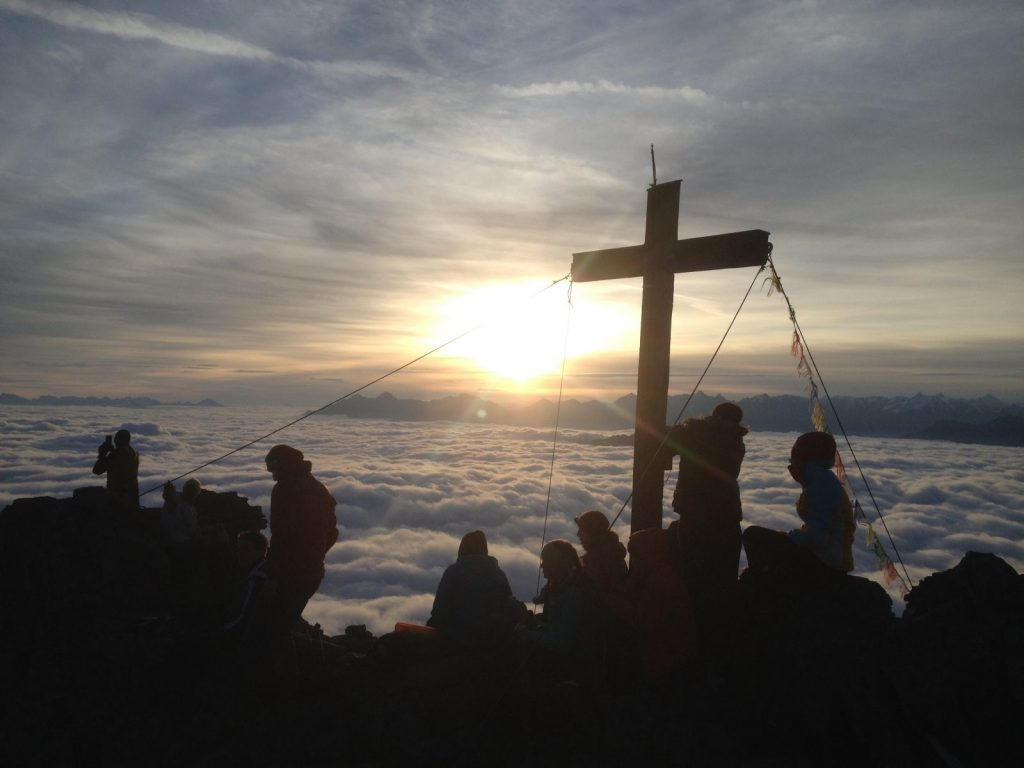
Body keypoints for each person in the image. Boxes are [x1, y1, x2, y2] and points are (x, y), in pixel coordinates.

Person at [665, 403, 748, 657]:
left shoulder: (695, 434)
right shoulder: (736, 441)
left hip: (697, 516)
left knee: (692, 579)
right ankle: (717, 646)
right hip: (726, 518)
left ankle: (692, 643)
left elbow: (666, 443)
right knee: (721, 583)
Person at [742, 431, 855, 585]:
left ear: (804, 459)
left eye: (794, 459)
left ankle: (761, 585)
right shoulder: (823, 480)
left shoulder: (821, 486)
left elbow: (817, 537)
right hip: (829, 560)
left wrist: (791, 537)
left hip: (827, 563)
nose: (791, 464)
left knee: (753, 535)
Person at [263, 444, 338, 642]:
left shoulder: (284, 489)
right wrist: (316, 553)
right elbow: (332, 532)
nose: (271, 472)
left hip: (289, 572)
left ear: (283, 465)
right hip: (312, 572)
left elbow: (281, 535)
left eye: (272, 466)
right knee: (286, 623)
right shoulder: (318, 488)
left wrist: (271, 572)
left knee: (272, 627)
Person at [427, 530, 525, 648]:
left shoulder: (453, 572)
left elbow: (439, 612)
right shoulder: (499, 575)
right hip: (491, 644)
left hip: (455, 642)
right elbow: (508, 608)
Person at [627, 528, 698, 686]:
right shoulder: (661, 575)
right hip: (670, 661)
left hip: (664, 664)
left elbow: (643, 623)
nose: (634, 560)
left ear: (647, 555)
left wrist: (611, 600)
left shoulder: (659, 583)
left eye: (637, 556)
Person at [525, 540, 602, 685]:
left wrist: (527, 634)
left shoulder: (575, 595)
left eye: (546, 560)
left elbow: (561, 642)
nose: (541, 565)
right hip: (572, 662)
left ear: (557, 564)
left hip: (575, 669)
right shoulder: (564, 588)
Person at [224, 530, 270, 638]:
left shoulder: (257, 578)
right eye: (239, 549)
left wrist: (223, 629)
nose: (240, 553)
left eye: (246, 549)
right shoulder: (252, 573)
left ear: (260, 552)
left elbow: (244, 615)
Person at [92, 429, 140, 509]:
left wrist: (102, 455)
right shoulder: (133, 453)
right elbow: (123, 461)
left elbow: (97, 470)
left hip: (118, 499)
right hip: (132, 496)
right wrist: (113, 451)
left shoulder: (115, 455)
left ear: (117, 440)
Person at [160, 478, 201, 545]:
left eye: (194, 490)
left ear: (197, 493)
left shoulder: (193, 508)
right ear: (185, 489)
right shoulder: (176, 499)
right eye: (189, 488)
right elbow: (169, 498)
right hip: (175, 541)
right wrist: (169, 490)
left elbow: (193, 527)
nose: (191, 491)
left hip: (186, 539)